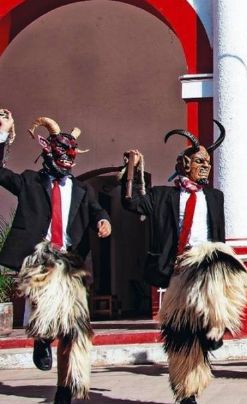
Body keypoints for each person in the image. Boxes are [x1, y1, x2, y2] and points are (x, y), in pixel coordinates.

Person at [121, 121, 247, 404]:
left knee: (224, 278)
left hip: (208, 263)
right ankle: (187, 391)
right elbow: (131, 203)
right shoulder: (163, 196)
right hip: (178, 269)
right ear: (183, 163)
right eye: (199, 162)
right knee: (182, 334)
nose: (206, 167)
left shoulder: (215, 197)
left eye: (208, 162)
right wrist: (132, 169)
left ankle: (217, 327)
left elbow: (219, 236)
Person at [0, 111, 111, 404]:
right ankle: (41, 338)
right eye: (63, 152)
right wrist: (3, 134)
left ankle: (64, 390)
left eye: (72, 154)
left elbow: (97, 209)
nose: (69, 159)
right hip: (40, 257)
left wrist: (103, 221)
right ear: (47, 151)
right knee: (47, 309)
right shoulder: (29, 182)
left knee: (73, 330)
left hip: (70, 261)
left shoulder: (82, 189)